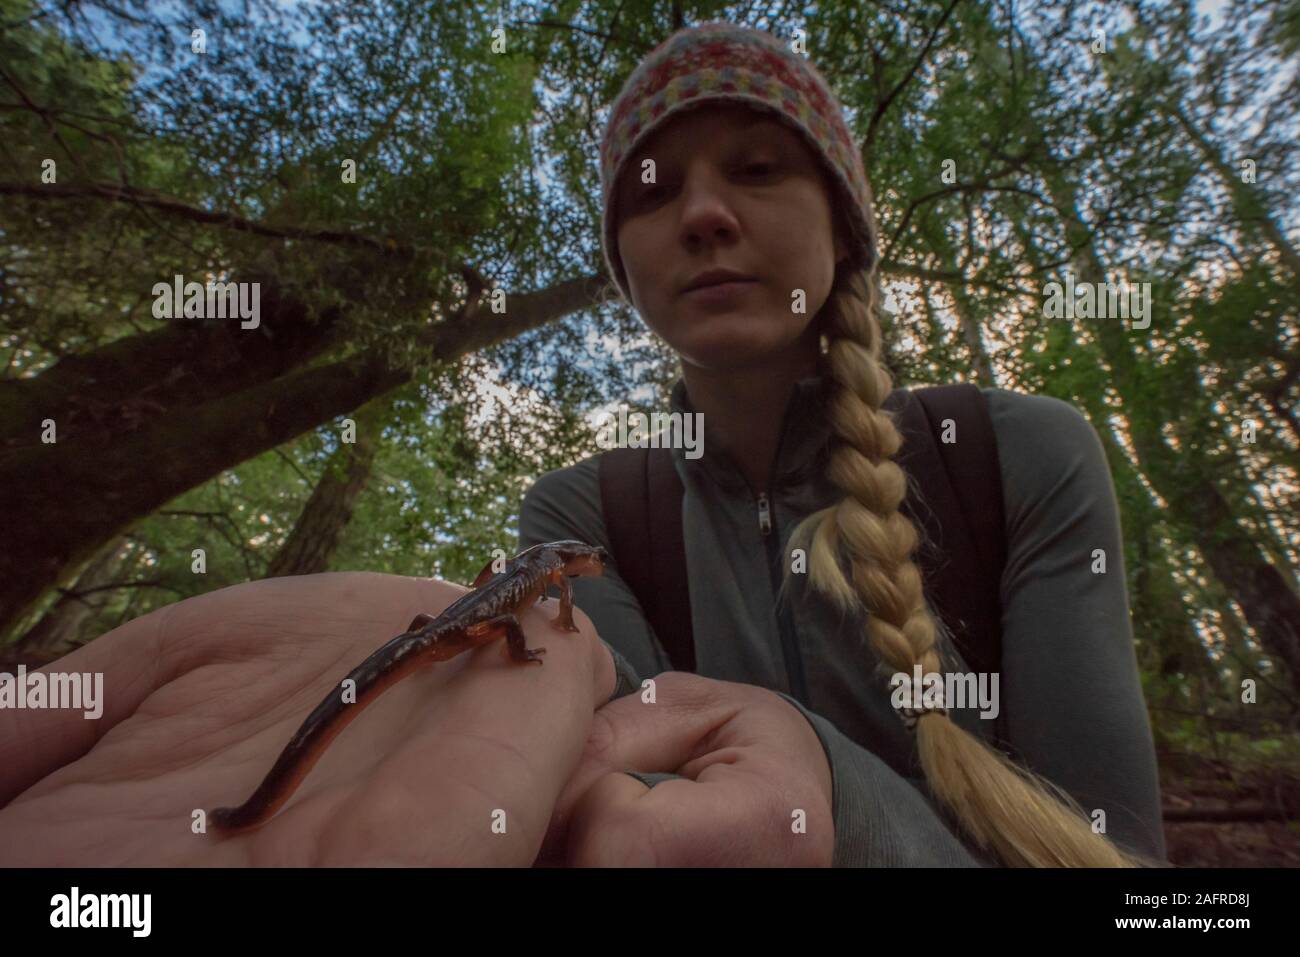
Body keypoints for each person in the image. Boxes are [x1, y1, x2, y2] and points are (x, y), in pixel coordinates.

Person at [516, 22, 1168, 867]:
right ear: (623, 266)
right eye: (652, 192)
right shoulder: (580, 519)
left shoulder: (1021, 457)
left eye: (757, 169)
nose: (705, 215)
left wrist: (822, 782)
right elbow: (626, 819)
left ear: (844, 229)